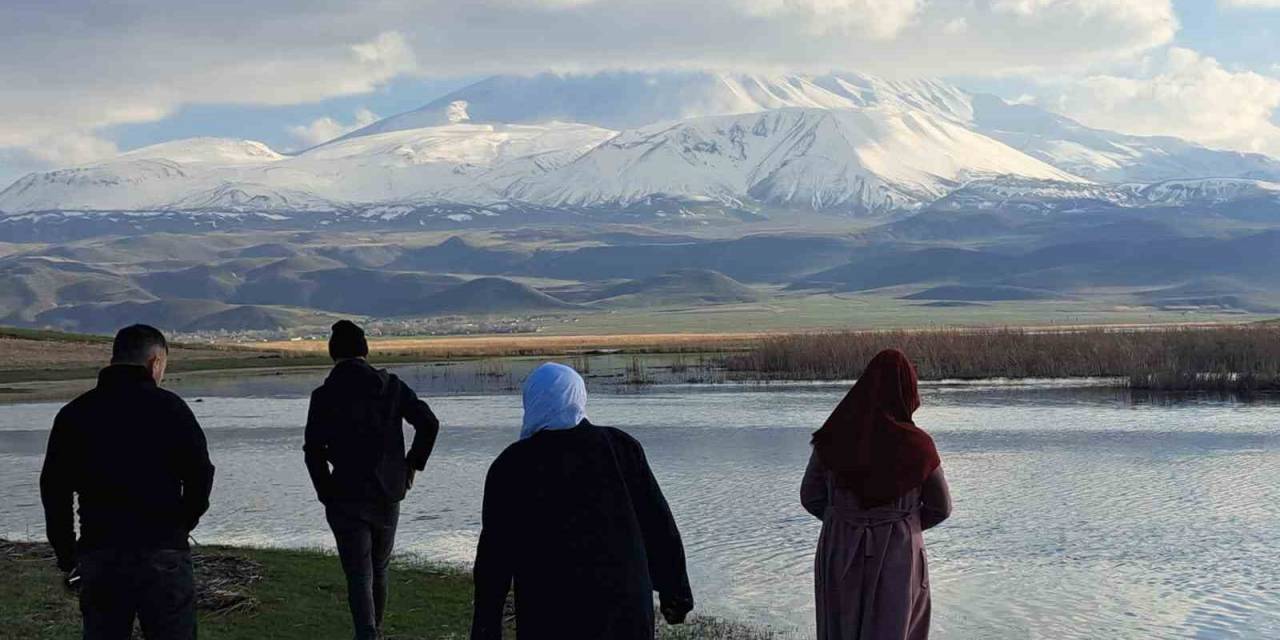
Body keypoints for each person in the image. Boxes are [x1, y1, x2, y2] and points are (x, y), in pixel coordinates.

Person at [470, 363, 694, 640]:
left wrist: (485, 627)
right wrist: (676, 592)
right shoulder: (621, 447)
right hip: (625, 609)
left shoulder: (512, 465)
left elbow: (495, 557)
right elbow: (658, 525)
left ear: (532, 401)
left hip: (552, 613)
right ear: (578, 397)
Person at [40, 324, 215, 640]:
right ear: (155, 362)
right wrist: (180, 526)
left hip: (100, 550)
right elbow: (201, 475)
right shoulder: (171, 408)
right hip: (163, 550)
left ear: (113, 360)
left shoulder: (75, 413)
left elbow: (54, 489)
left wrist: (67, 554)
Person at [304, 320, 441, 640]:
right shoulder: (391, 385)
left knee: (357, 574)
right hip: (388, 491)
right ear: (365, 351)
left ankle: (367, 635)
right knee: (379, 568)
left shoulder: (324, 395)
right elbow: (429, 423)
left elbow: (313, 450)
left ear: (332, 354)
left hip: (345, 494)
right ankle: (374, 631)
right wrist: (411, 466)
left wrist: (325, 491)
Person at [801, 349, 952, 640]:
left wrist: (844, 520)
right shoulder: (918, 446)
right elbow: (941, 507)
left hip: (840, 546)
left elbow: (810, 496)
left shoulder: (832, 438)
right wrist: (906, 525)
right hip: (899, 549)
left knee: (840, 627)